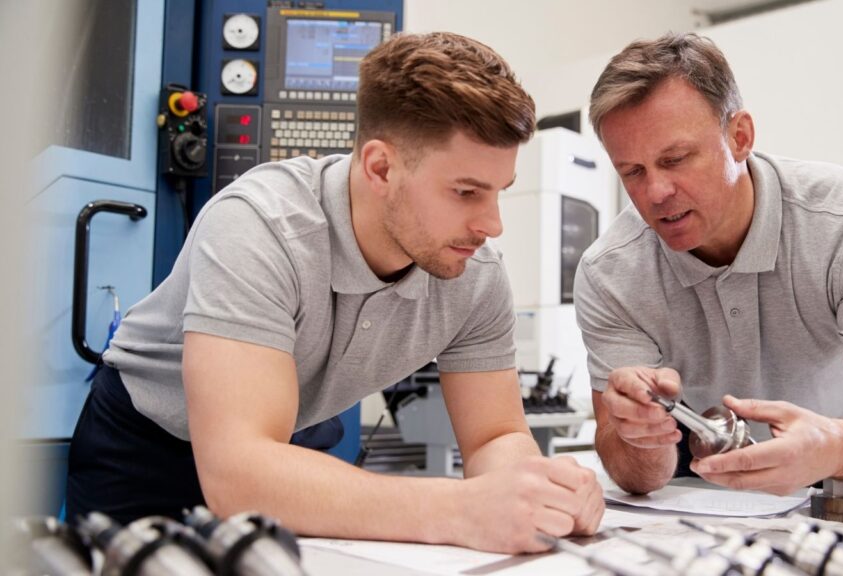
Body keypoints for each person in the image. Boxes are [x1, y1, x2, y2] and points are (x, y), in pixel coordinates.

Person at [67, 31, 604, 554]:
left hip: (280, 447)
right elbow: (240, 477)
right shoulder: (260, 225)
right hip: (148, 445)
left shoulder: (476, 274)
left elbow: (493, 438)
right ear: (380, 167)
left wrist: (540, 493)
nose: (491, 224)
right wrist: (462, 508)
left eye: (498, 193)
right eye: (466, 192)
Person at [575, 32, 843, 496]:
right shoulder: (611, 274)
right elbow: (634, 475)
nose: (655, 193)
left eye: (676, 159)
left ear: (739, 137)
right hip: (705, 485)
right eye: (633, 172)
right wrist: (637, 435)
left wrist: (835, 445)